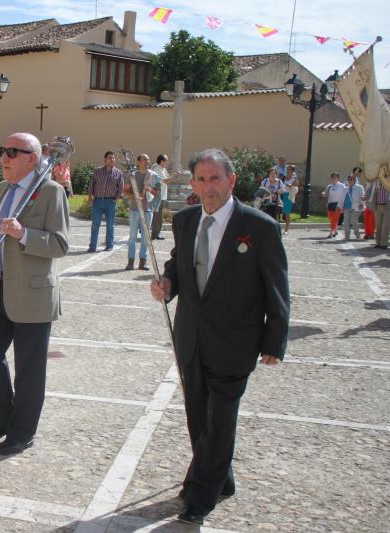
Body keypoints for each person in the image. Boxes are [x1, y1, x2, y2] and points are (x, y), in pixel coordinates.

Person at [150, 148, 289, 526]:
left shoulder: (259, 227)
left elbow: (277, 287)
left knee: (221, 417)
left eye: (215, 179)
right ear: (192, 183)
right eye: (201, 179)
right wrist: (168, 283)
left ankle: (201, 493)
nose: (208, 187)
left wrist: (274, 341)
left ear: (231, 181)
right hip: (191, 336)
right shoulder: (185, 220)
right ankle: (220, 478)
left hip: (236, 341)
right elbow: (179, 263)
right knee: (198, 414)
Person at [0, 132, 69, 455]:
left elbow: (61, 244)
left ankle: (22, 432)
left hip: (32, 295)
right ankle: (1, 419)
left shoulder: (51, 193)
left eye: (13, 152)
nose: (4, 157)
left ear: (32, 158)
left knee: (29, 368)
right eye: (3, 150)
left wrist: (24, 234)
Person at [123, 154, 156, 270]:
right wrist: (135, 196)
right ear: (139, 162)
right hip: (135, 210)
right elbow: (125, 191)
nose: (148, 161)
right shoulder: (132, 175)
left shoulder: (152, 175)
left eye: (148, 159)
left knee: (146, 238)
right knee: (132, 236)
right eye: (145, 160)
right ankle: (131, 261)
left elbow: (158, 193)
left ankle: (143, 262)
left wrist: (150, 190)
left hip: (148, 210)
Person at [86, 151, 123, 252]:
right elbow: (91, 185)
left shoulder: (118, 173)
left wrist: (116, 198)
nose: (112, 160)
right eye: (110, 158)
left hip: (110, 202)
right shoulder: (97, 171)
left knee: (110, 225)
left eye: (113, 158)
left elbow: (120, 187)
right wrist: (90, 197)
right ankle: (92, 246)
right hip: (98, 201)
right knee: (95, 225)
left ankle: (109, 246)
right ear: (105, 159)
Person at [150, 154, 171, 240]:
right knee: (157, 216)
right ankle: (155, 234)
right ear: (161, 161)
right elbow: (165, 181)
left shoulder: (163, 169)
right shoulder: (157, 169)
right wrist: (173, 175)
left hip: (162, 196)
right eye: (166, 160)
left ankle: (156, 233)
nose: (167, 162)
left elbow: (168, 180)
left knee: (158, 216)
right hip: (158, 196)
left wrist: (172, 175)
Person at [322, 172, 347, 238]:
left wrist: (342, 205)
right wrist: (323, 193)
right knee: (331, 220)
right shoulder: (329, 186)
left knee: (334, 220)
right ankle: (335, 231)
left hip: (338, 205)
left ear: (338, 178)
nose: (334, 179)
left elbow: (344, 196)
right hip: (329, 205)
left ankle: (331, 233)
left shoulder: (342, 186)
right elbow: (325, 193)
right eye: (332, 177)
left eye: (335, 177)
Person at [341, 174, 366, 240]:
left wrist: (362, 203)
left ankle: (357, 235)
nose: (350, 181)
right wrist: (340, 206)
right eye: (349, 179)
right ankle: (347, 236)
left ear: (355, 180)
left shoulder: (359, 187)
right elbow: (342, 198)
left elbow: (363, 196)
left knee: (353, 221)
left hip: (356, 207)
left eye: (352, 179)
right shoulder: (345, 188)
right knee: (346, 222)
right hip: (346, 207)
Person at [369, 179, 389, 249]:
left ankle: (384, 243)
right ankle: (378, 242)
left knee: (385, 226)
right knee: (378, 225)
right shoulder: (376, 182)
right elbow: (370, 190)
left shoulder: (388, 182)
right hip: (377, 206)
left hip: (387, 207)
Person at [280, 165, 299, 235]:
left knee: (287, 213)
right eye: (287, 169)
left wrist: (291, 186)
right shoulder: (283, 177)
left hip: (288, 196)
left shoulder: (295, 179)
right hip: (281, 194)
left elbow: (296, 188)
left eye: (290, 169)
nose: (288, 170)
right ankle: (277, 227)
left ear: (293, 171)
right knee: (278, 211)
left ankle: (286, 229)